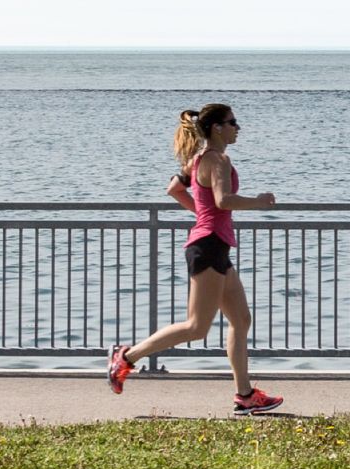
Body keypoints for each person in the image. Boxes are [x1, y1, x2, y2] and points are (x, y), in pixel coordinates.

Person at [108, 103, 282, 415]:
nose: (237, 128)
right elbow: (223, 200)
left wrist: (203, 215)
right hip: (209, 247)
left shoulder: (198, 159)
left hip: (215, 246)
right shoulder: (217, 160)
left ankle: (245, 396)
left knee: (241, 319)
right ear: (217, 127)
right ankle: (127, 357)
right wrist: (257, 202)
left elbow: (174, 188)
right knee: (196, 327)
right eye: (232, 122)